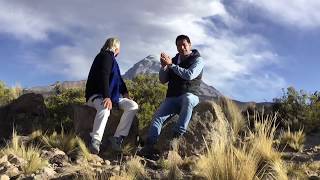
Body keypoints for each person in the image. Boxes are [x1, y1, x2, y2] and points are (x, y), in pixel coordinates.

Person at [138, 35, 204, 159]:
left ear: (190, 45)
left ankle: (176, 136)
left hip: (191, 95)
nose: (181, 47)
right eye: (179, 45)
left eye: (184, 44)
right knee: (157, 117)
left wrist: (172, 66)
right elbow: (163, 80)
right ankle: (149, 146)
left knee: (188, 98)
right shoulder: (173, 60)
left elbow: (190, 75)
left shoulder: (198, 60)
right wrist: (164, 66)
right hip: (172, 97)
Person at [85, 37, 138, 154]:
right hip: (97, 95)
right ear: (116, 48)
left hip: (114, 97)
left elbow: (119, 80)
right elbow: (104, 74)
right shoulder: (105, 56)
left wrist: (125, 93)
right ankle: (95, 140)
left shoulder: (113, 61)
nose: (119, 51)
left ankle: (117, 138)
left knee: (133, 106)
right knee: (105, 108)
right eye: (119, 49)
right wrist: (106, 96)